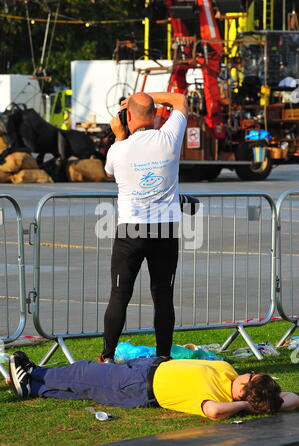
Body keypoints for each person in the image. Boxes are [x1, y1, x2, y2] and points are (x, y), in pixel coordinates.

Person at [100, 91, 188, 362]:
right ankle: (163, 357)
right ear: (155, 114)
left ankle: (107, 355)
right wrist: (148, 98)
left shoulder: (119, 149)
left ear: (127, 117)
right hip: (165, 229)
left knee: (120, 294)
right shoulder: (168, 138)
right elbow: (181, 100)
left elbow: (109, 171)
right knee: (163, 295)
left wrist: (118, 134)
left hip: (131, 230)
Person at [8, 351, 299, 421]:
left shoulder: (218, 397)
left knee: (84, 373)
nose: (246, 372)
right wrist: (268, 399)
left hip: (137, 386)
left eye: (248, 378)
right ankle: (32, 387)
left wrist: (249, 406)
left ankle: (35, 374)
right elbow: (293, 397)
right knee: (84, 384)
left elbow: (213, 412)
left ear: (243, 392)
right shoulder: (229, 375)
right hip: (149, 366)